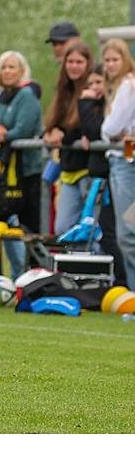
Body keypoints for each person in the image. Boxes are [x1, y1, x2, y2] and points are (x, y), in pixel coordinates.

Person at [0, 51, 42, 279]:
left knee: (31, 224)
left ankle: (36, 274)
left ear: (22, 71)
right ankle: (11, 275)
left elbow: (24, 129)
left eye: (12, 67)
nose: (7, 71)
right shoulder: (0, 98)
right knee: (5, 224)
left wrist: (5, 134)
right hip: (4, 173)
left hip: (27, 172)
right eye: (4, 67)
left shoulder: (27, 96)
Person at [79, 63, 127, 285]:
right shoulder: (100, 106)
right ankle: (124, 283)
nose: (94, 88)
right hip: (111, 180)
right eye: (90, 84)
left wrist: (86, 103)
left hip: (124, 178)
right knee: (112, 233)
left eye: (99, 82)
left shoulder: (117, 103)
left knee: (124, 232)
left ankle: (126, 282)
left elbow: (101, 130)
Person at [44, 44, 93, 236]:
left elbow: (88, 126)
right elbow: (54, 123)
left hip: (88, 170)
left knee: (90, 227)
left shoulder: (92, 89)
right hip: (68, 170)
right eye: (70, 62)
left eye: (79, 62)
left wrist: (64, 136)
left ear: (88, 64)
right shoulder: (64, 91)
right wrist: (49, 133)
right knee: (63, 228)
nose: (74, 66)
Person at [100, 38, 135, 290]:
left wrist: (108, 131)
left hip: (126, 163)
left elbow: (110, 128)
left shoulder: (127, 85)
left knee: (128, 233)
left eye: (116, 59)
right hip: (123, 160)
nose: (111, 64)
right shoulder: (116, 87)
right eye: (108, 60)